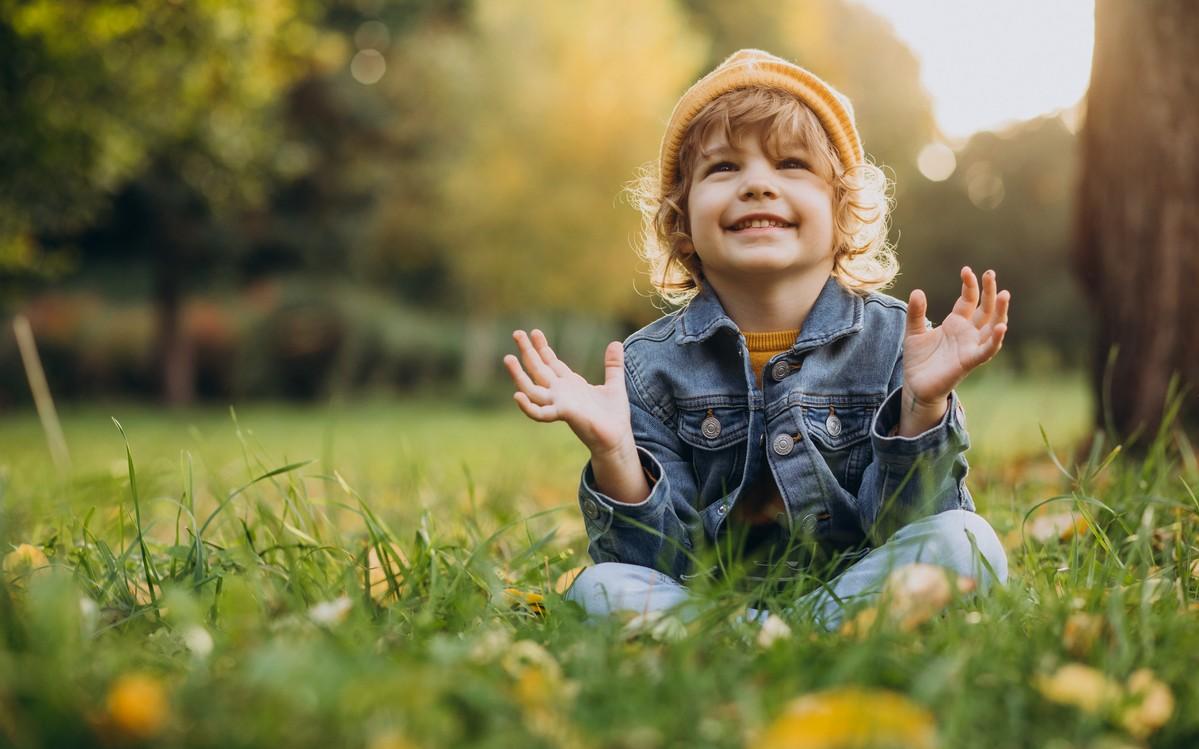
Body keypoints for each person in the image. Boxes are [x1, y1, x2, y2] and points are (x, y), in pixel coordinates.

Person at [502, 49, 1011, 630]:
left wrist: (923, 408)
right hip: (711, 609)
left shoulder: (897, 342)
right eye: (723, 169)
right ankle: (755, 637)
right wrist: (616, 456)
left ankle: (790, 636)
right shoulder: (648, 369)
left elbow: (906, 529)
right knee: (600, 587)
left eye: (791, 164)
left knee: (967, 541)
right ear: (682, 222)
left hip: (858, 592)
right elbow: (659, 564)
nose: (757, 186)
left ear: (841, 211)